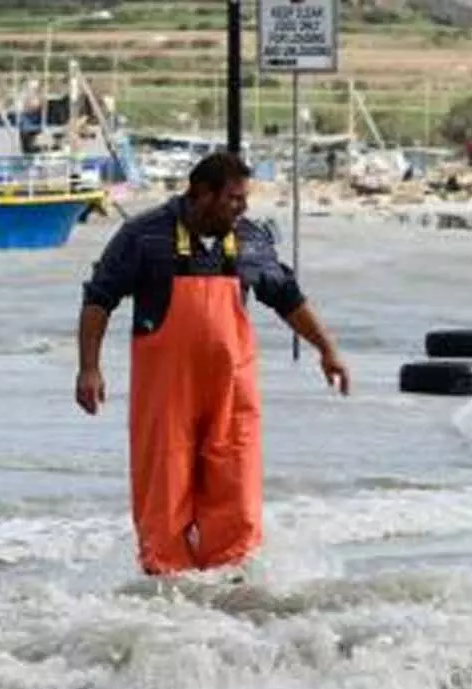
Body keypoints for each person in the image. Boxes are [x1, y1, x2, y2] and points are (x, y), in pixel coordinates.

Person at [75, 151, 350, 578]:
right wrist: (89, 368)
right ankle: (168, 595)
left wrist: (326, 349)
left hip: (231, 392)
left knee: (237, 495)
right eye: (234, 199)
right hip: (166, 396)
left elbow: (287, 298)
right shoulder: (142, 235)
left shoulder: (251, 238)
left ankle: (231, 591)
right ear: (201, 194)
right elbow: (98, 300)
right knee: (164, 497)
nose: (241, 208)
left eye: (244, 200)